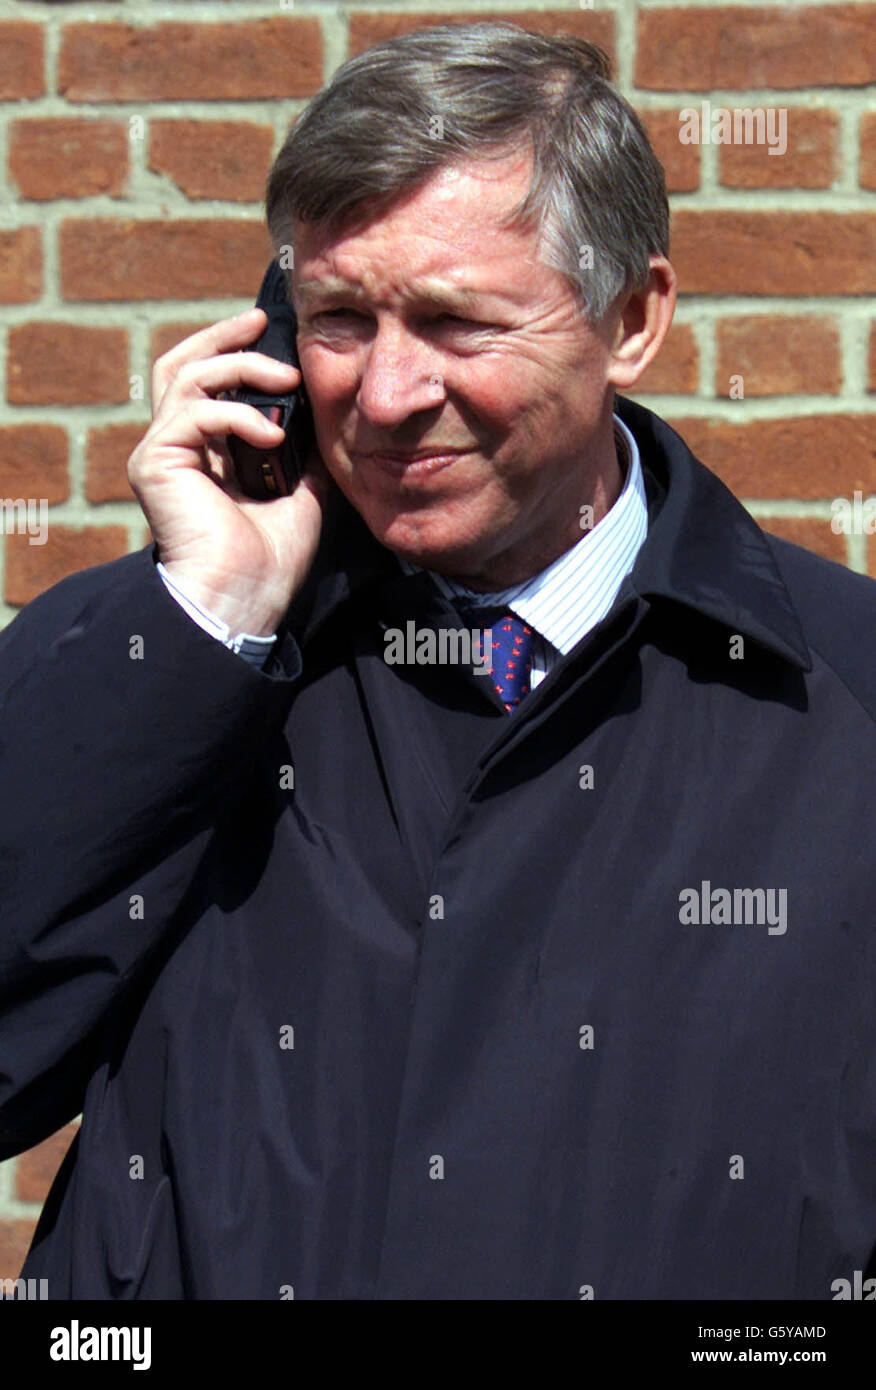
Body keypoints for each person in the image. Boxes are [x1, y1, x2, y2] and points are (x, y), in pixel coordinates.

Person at [1, 22, 874, 1301]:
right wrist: (204, 624)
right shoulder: (175, 653)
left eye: (457, 322)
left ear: (631, 320)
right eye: (340, 319)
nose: (390, 391)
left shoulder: (837, 688)